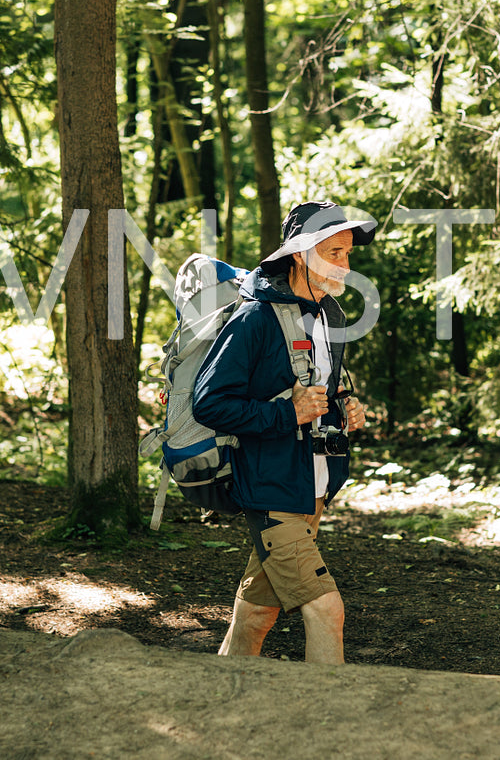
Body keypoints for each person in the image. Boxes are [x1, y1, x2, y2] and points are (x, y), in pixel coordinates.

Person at [191, 201, 376, 664]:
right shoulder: (254, 319)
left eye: (348, 255)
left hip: (311, 487)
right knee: (326, 610)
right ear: (300, 255)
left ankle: (217, 695)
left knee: (257, 616)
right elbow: (209, 402)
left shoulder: (329, 317)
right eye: (334, 253)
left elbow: (315, 393)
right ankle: (324, 726)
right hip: (270, 488)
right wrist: (286, 415)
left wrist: (344, 408)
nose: (345, 266)